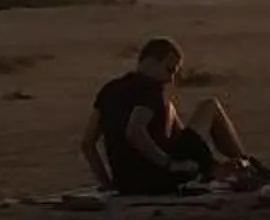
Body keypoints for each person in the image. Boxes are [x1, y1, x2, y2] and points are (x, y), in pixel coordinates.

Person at [82, 38, 255, 197]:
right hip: (158, 176)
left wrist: (108, 183)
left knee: (170, 108)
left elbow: (88, 144)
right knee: (210, 106)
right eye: (169, 70)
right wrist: (169, 164)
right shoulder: (149, 89)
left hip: (127, 183)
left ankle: (219, 166)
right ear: (150, 61)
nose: (170, 79)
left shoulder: (109, 90)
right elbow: (134, 131)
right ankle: (248, 164)